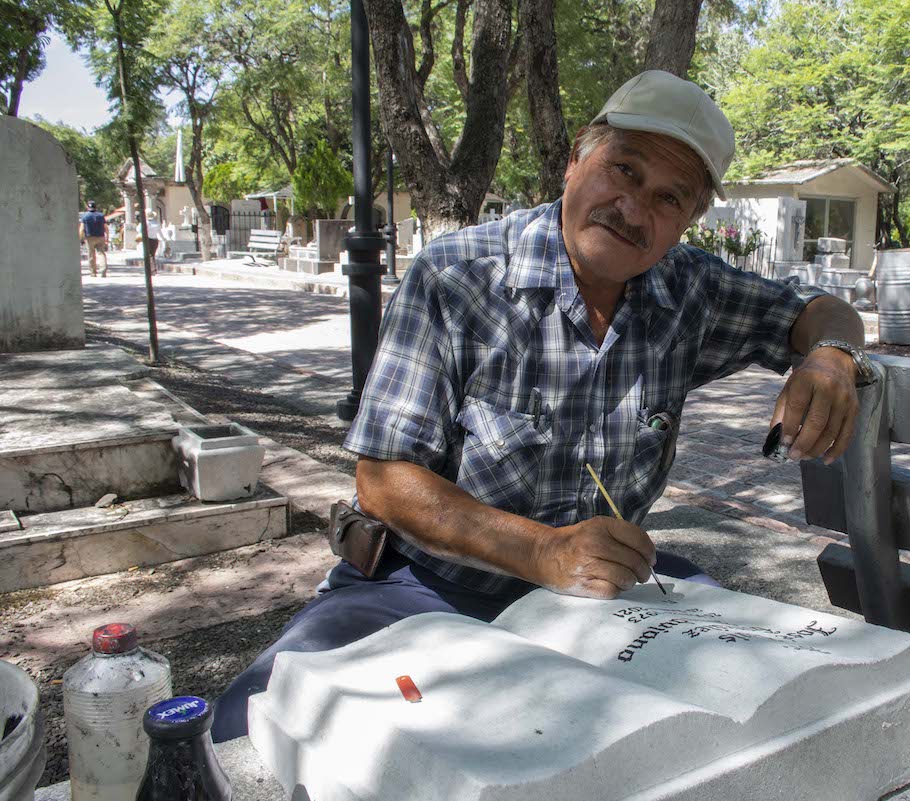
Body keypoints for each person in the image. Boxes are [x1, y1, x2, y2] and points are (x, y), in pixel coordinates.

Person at [212, 70, 873, 741]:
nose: (632, 207)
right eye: (622, 169)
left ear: (687, 222)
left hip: (602, 601)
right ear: (574, 161)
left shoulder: (690, 292)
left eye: (667, 197)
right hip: (421, 587)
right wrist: (544, 551)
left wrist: (830, 357)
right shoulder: (458, 275)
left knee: (764, 709)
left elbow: (822, 313)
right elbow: (382, 483)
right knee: (248, 726)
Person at [79, 201, 108, 277]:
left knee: (91, 254)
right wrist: (107, 237)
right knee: (101, 253)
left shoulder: (85, 216)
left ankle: (93, 272)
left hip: (89, 238)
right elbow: (106, 227)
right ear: (95, 207)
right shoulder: (101, 216)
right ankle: (103, 271)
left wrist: (80, 238)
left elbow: (81, 229)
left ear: (88, 207)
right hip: (101, 237)